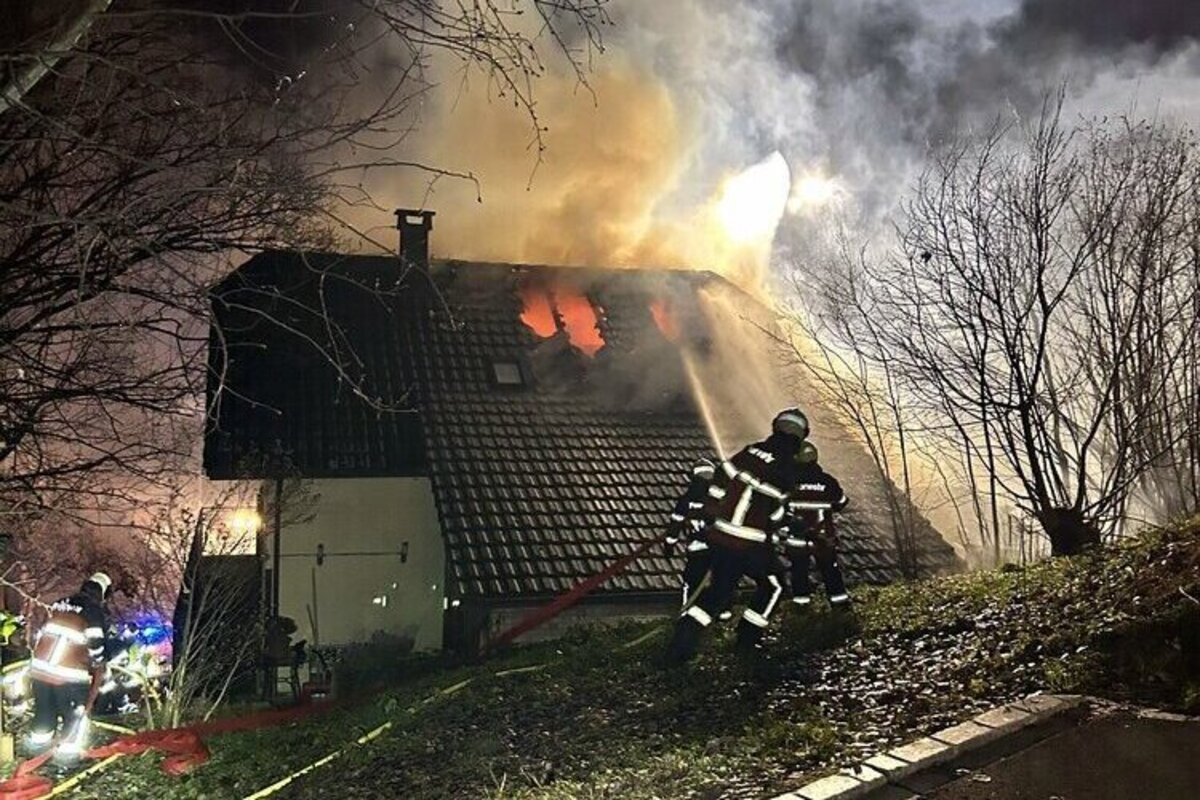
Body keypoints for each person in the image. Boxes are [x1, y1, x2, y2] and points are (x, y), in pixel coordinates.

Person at [665, 408, 810, 664]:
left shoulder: (748, 452)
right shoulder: (787, 470)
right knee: (774, 586)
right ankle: (747, 640)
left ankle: (681, 645)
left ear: (776, 428)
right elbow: (775, 517)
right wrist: (788, 524)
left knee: (717, 594)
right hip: (750, 543)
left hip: (721, 538)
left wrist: (713, 512)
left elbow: (719, 484)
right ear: (799, 437)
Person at [28, 572, 114, 758]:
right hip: (68, 675)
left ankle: (36, 753)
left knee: (44, 712)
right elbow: (96, 644)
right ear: (102, 593)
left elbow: (42, 632)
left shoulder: (60, 602)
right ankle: (66, 758)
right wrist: (99, 663)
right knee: (73, 717)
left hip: (39, 669)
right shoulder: (93, 610)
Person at [778, 442, 851, 608]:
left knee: (799, 571)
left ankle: (801, 606)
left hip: (798, 537)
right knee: (830, 571)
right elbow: (841, 502)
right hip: (823, 536)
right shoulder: (828, 482)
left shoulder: (788, 482)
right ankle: (840, 605)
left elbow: (779, 506)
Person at [663, 457, 717, 611]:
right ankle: (720, 613)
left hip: (697, 550)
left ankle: (687, 610)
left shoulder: (686, 500)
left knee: (691, 582)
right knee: (718, 581)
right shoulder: (719, 499)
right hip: (717, 550)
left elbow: (675, 526)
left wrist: (669, 547)